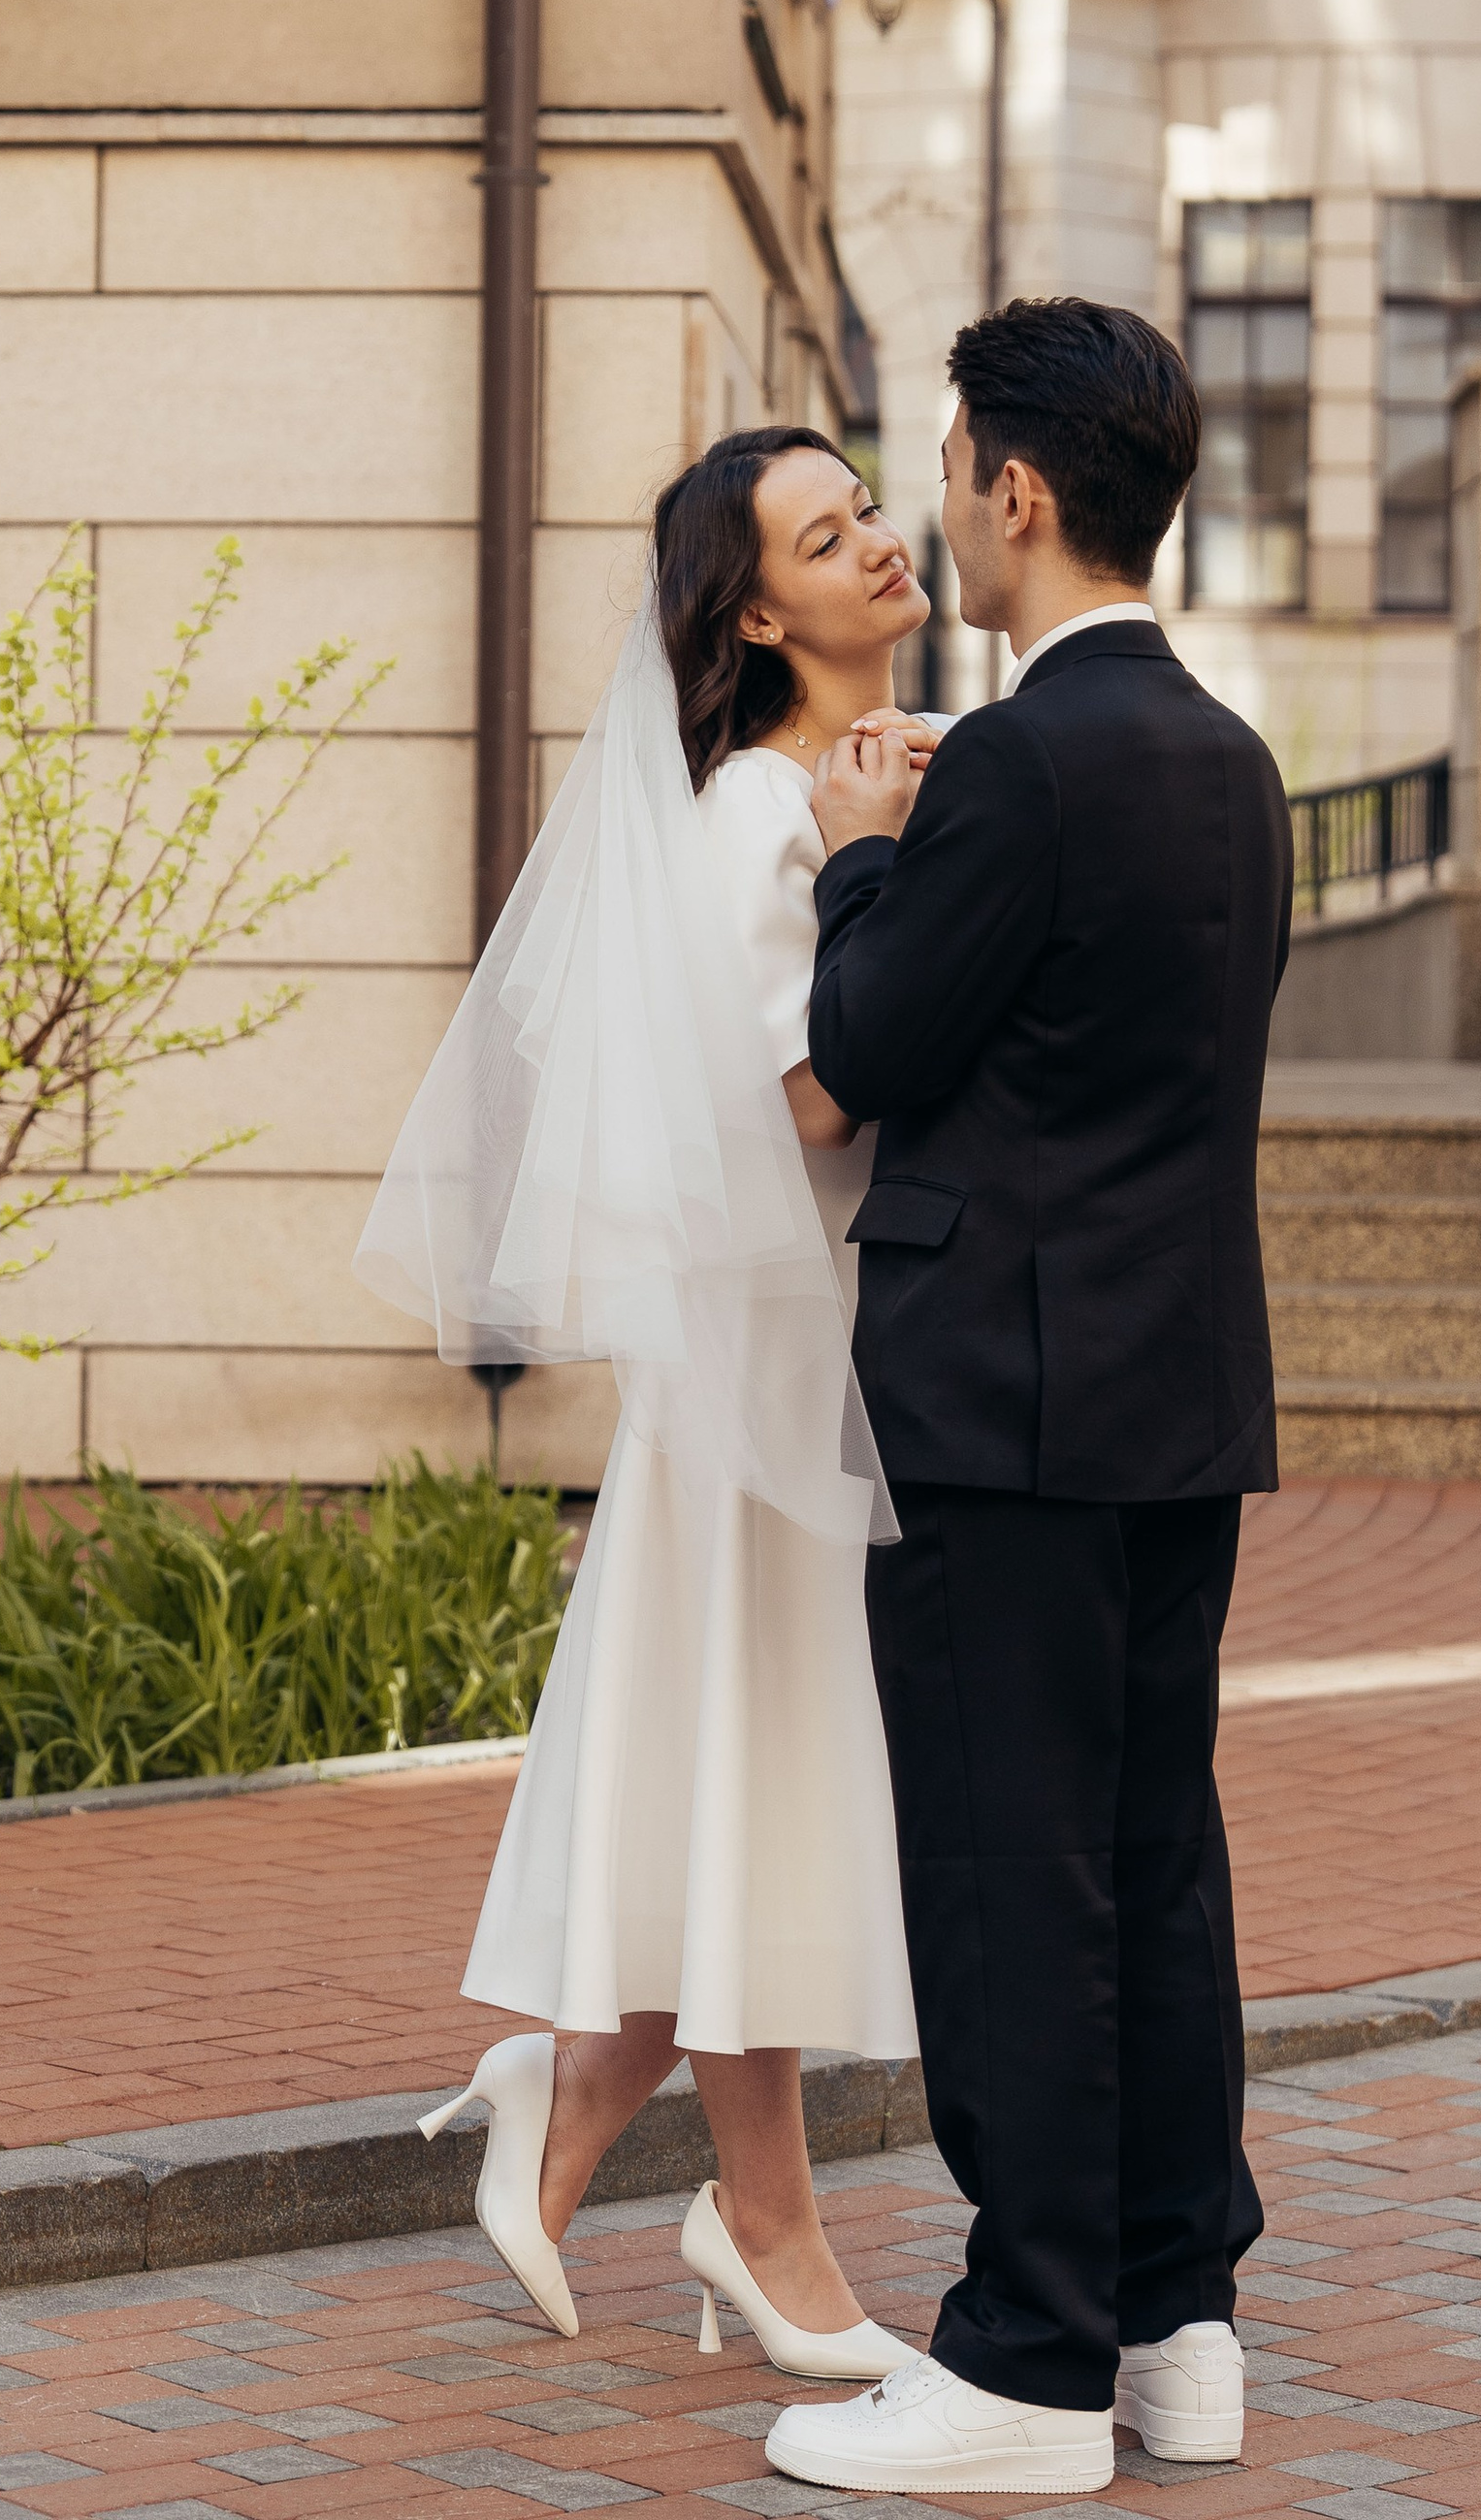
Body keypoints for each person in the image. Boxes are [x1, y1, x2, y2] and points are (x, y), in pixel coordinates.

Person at [764, 300, 1293, 2504]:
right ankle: (1175, 2326)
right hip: (1179, 1390)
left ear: (1018, 493)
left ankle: (1018, 2362)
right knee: (1151, 1865)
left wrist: (857, 851)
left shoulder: (1016, 759)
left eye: (951, 462)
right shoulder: (1227, 761)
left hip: (1004, 1400)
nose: (937, 506)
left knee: (1010, 1879)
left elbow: (874, 1046)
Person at [362, 429, 930, 2375]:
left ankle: (582, 2094)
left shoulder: (837, 784)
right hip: (769, 1364)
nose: (875, 546)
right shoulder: (752, 818)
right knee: (754, 1765)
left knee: (725, 1762)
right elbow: (798, 1100)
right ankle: (755, 2218)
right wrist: (884, 884)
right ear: (754, 611)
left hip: (801, 1354)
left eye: (866, 510)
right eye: (822, 536)